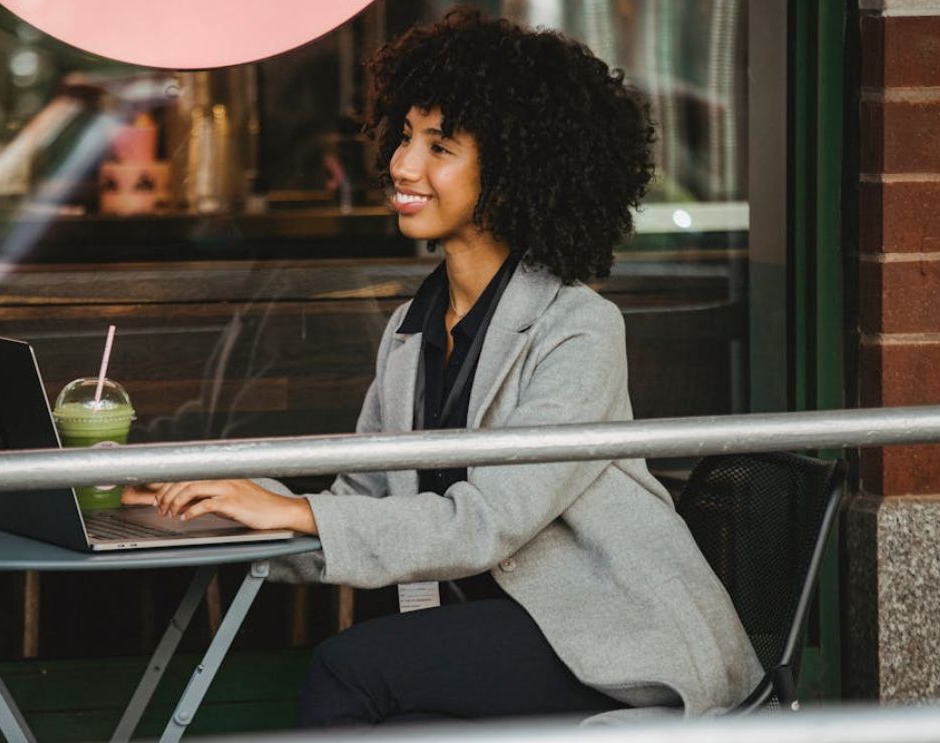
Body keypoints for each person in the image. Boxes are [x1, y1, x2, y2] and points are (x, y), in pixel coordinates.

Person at [124, 7, 762, 726]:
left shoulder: (577, 328)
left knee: (351, 669)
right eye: (404, 137)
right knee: (381, 694)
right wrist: (210, 504)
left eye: (439, 146)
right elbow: (362, 501)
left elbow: (485, 524)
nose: (402, 165)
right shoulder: (410, 330)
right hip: (508, 629)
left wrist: (289, 511)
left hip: (613, 642)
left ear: (514, 169)